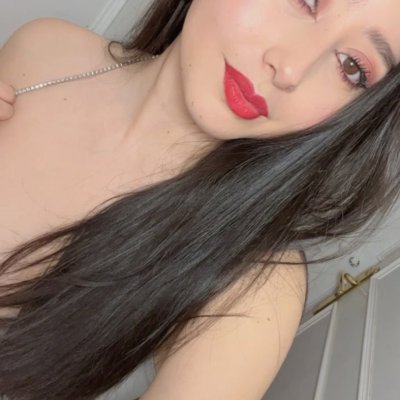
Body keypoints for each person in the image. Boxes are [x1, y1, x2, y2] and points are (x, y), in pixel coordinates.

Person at [0, 0, 399, 399]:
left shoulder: (257, 286)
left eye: (351, 67)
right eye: (306, 1)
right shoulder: (45, 47)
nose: (290, 69)